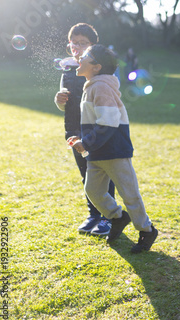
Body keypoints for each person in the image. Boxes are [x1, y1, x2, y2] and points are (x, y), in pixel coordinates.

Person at [68, 44, 158, 253]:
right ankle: (118, 217)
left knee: (129, 194)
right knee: (93, 190)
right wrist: (82, 138)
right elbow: (97, 121)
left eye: (86, 56)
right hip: (98, 152)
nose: (79, 57)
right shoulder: (92, 84)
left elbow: (108, 122)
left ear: (97, 67)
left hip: (114, 151)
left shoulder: (100, 86)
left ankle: (147, 230)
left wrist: (87, 142)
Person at [54, 23, 115, 236]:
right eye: (75, 43)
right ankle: (94, 215)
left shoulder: (101, 68)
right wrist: (59, 99)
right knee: (86, 174)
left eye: (83, 43)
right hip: (75, 130)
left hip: (96, 131)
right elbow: (65, 103)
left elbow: (109, 96)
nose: (78, 47)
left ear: (93, 46)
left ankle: (109, 217)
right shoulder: (68, 69)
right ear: (69, 45)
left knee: (102, 173)